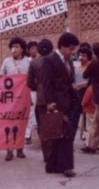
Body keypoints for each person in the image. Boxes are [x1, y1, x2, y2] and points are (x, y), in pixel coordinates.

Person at [41, 32, 80, 177]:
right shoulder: (50, 60)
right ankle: (64, 166)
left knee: (64, 134)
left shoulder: (68, 60)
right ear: (62, 46)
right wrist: (50, 101)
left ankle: (55, 165)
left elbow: (69, 81)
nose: (72, 52)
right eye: (70, 49)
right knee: (61, 134)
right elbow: (46, 83)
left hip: (69, 101)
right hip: (56, 102)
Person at [0, 37, 30, 161]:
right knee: (8, 123)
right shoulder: (7, 61)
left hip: (23, 97)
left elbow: (31, 79)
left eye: (17, 46)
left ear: (22, 49)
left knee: (21, 122)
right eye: (13, 46)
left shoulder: (28, 62)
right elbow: (2, 75)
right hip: (9, 98)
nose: (14, 49)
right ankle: (9, 150)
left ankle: (20, 149)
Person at [27, 38, 53, 160]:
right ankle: (56, 153)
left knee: (43, 127)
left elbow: (30, 83)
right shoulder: (57, 61)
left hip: (41, 98)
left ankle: (47, 155)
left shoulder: (34, 63)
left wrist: (38, 86)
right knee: (57, 125)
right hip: (56, 98)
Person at [71, 47, 92, 141]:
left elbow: (91, 82)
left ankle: (86, 135)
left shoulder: (90, 68)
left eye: (84, 56)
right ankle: (78, 134)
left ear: (88, 57)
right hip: (77, 94)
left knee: (87, 115)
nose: (81, 57)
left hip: (87, 93)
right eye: (80, 55)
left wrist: (82, 84)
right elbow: (73, 81)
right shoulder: (76, 68)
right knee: (76, 114)